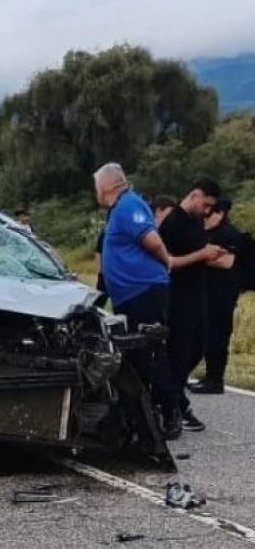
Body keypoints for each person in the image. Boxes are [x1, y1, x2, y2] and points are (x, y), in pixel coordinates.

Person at [94, 164, 178, 438]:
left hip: (144, 291)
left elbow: (152, 241)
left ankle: (170, 413)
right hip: (128, 296)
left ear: (107, 185)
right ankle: (143, 415)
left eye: (96, 185)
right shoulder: (117, 210)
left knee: (151, 353)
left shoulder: (130, 205)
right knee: (135, 358)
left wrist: (167, 261)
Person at [158, 178, 225, 433]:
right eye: (205, 204)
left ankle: (175, 394)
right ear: (195, 195)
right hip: (177, 294)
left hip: (198, 292)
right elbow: (168, 261)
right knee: (180, 349)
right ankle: (173, 403)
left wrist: (210, 253)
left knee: (200, 345)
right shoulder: (173, 222)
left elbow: (198, 249)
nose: (206, 211)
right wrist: (203, 254)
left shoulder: (197, 221)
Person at [190, 198, 243, 394]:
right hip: (209, 292)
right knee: (207, 335)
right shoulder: (209, 234)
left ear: (220, 214)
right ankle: (210, 375)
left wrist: (196, 258)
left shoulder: (228, 234)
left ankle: (215, 380)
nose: (204, 218)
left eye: (208, 214)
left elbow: (227, 262)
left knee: (218, 337)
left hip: (223, 294)